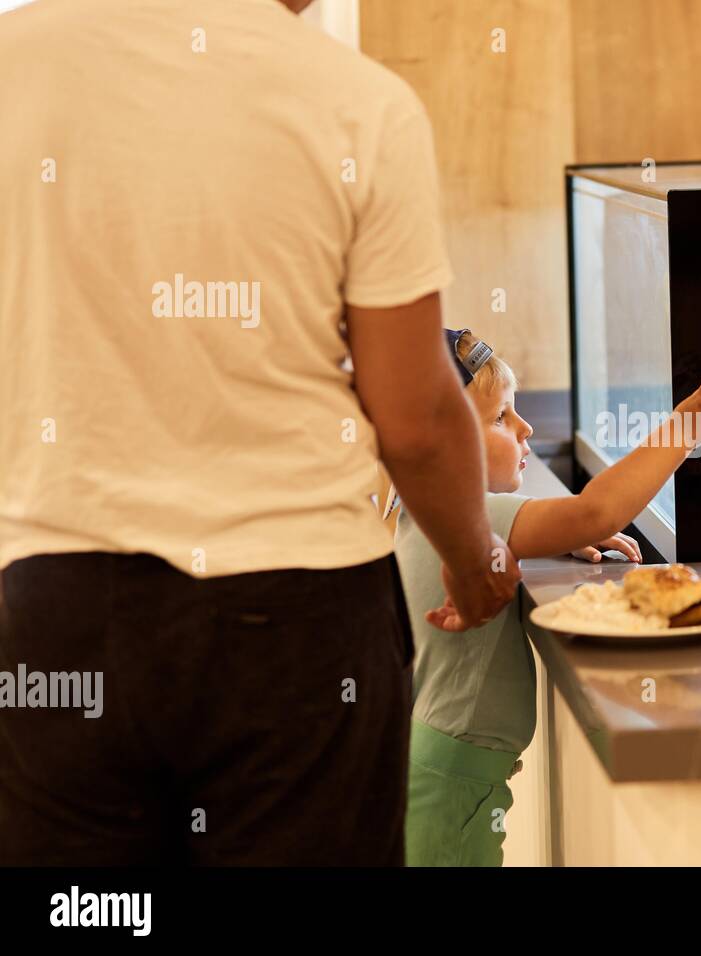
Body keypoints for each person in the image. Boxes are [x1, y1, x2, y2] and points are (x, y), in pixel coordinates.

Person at [0, 0, 517, 865]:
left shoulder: (16, 56)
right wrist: (474, 564)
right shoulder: (358, 102)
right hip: (298, 627)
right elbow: (418, 417)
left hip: (57, 608)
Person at [397, 330, 701, 866]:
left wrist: (551, 530)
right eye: (500, 418)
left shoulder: (428, 507)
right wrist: (687, 427)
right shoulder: (461, 511)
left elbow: (562, 524)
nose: (525, 427)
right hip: (452, 779)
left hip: (441, 763)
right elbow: (594, 512)